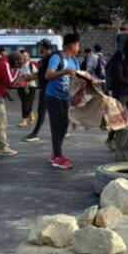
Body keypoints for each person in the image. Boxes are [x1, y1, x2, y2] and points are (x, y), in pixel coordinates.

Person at [45, 34, 81, 169]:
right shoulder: (57, 57)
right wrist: (63, 72)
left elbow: (77, 77)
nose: (78, 48)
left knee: (64, 127)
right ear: (71, 45)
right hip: (53, 97)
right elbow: (48, 75)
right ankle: (58, 157)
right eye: (77, 45)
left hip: (66, 98)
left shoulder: (74, 60)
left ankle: (55, 153)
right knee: (57, 127)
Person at [105, 34, 128, 149]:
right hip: (120, 91)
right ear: (127, 44)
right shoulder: (119, 54)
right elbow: (118, 74)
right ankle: (111, 139)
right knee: (117, 117)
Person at [24, 39, 53, 142]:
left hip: (48, 88)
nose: (38, 48)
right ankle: (63, 129)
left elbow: (49, 73)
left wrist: (31, 77)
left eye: (39, 46)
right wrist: (30, 77)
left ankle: (35, 133)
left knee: (42, 111)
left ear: (44, 46)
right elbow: (40, 73)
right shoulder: (43, 59)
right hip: (44, 88)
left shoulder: (51, 58)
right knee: (50, 111)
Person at [17, 50, 38, 127]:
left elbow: (37, 75)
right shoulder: (18, 66)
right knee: (25, 103)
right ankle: (31, 113)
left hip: (30, 87)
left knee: (26, 103)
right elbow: (16, 76)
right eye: (23, 56)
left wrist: (29, 77)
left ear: (28, 57)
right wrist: (18, 81)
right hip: (20, 87)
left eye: (26, 55)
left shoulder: (31, 65)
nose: (25, 57)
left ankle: (24, 120)